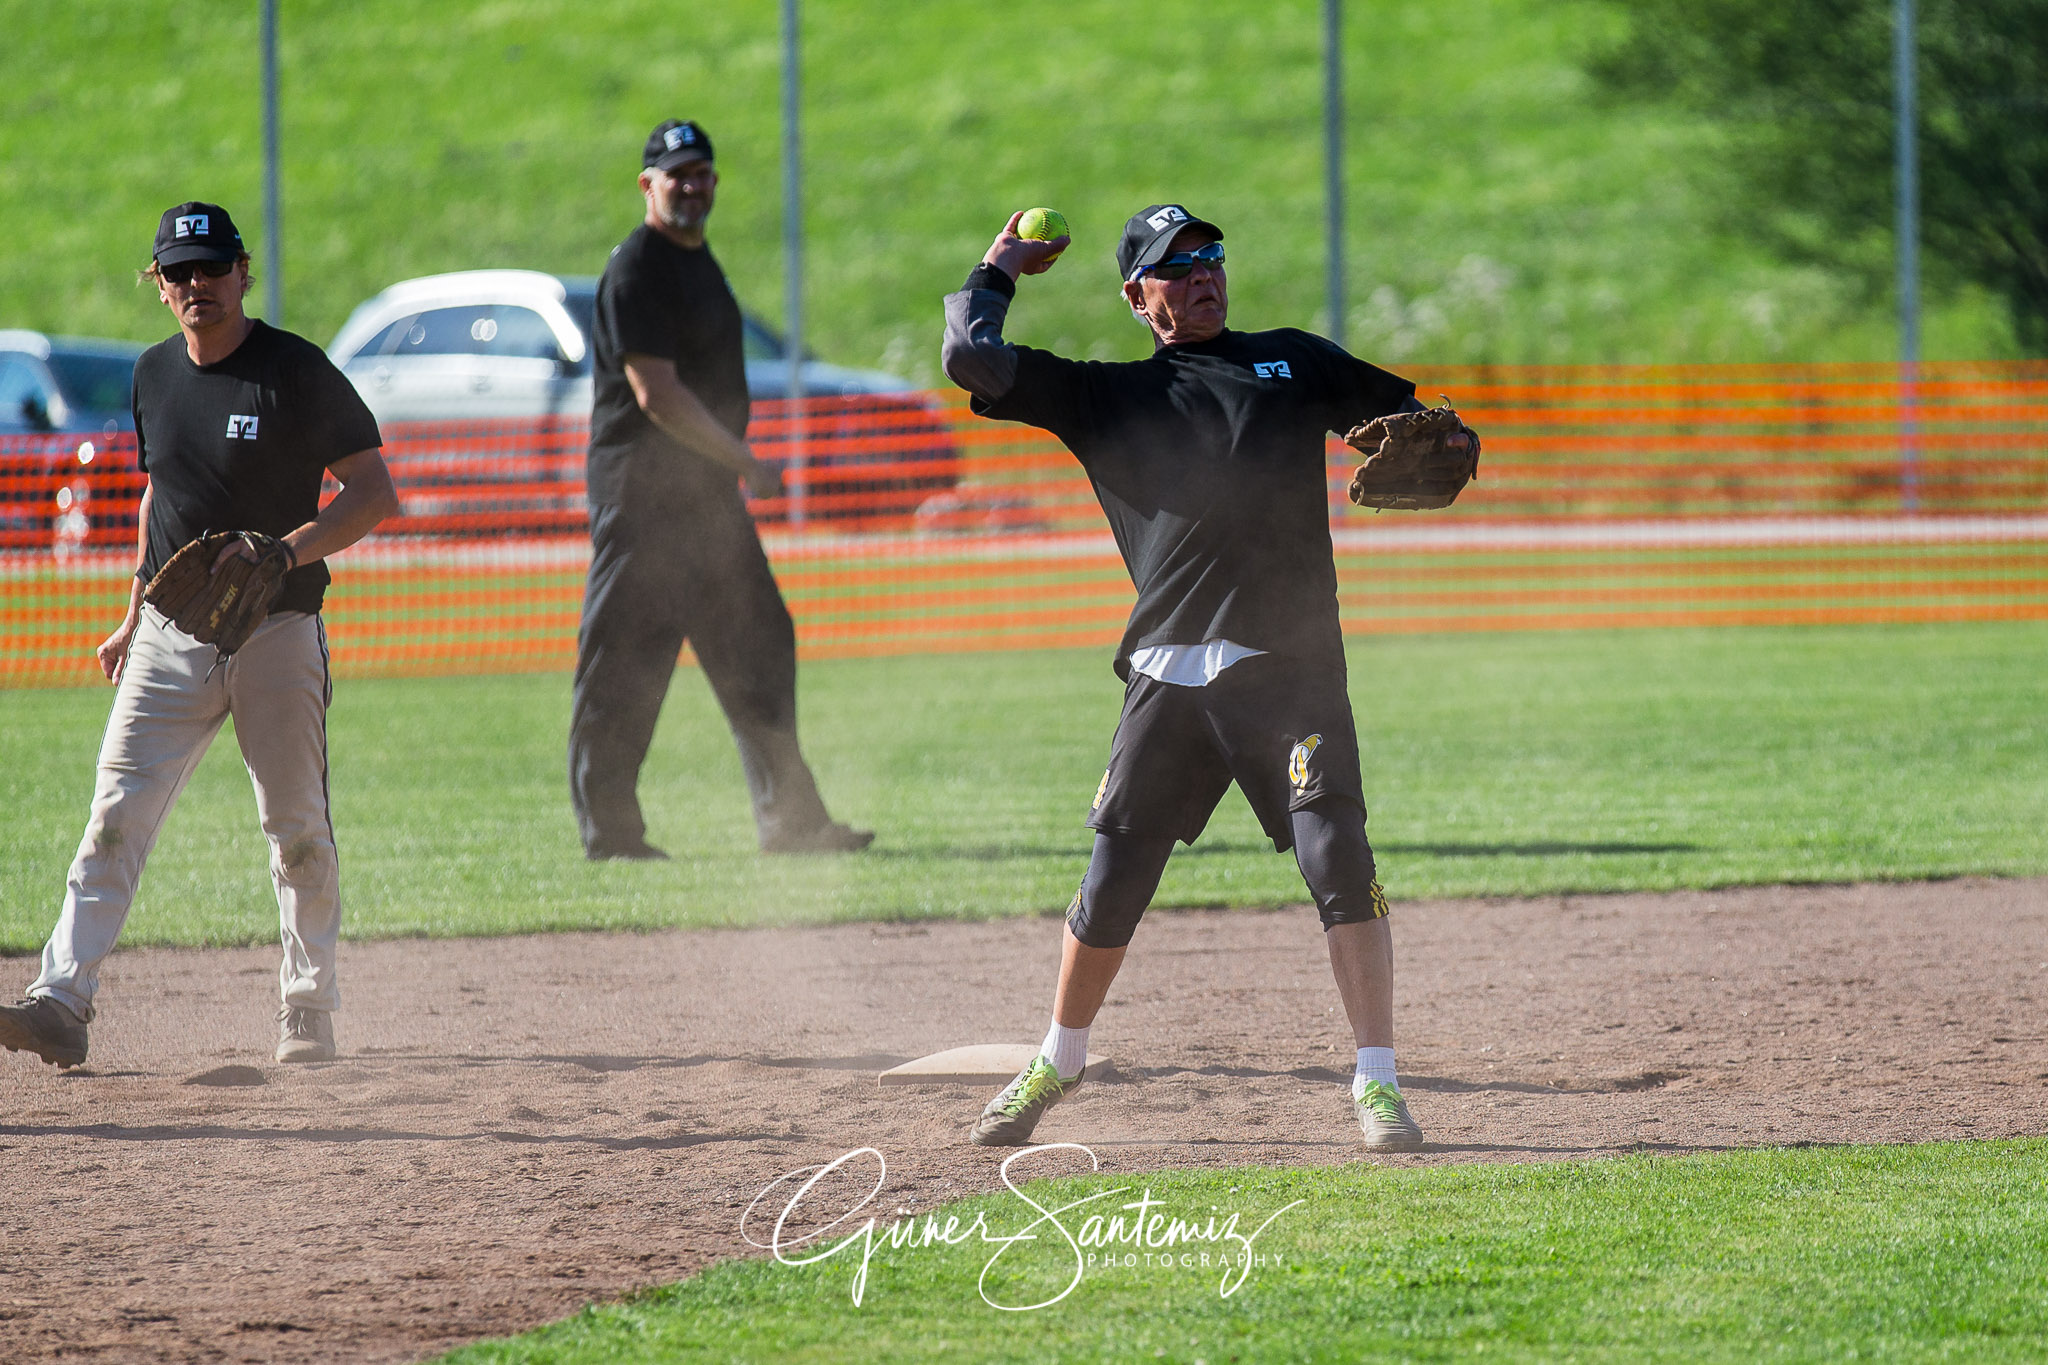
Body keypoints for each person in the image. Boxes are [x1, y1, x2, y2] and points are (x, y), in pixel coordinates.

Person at [943, 204, 1452, 1151]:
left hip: (1291, 668)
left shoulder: (1291, 361)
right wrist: (998, 268)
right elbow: (973, 358)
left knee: (1338, 857)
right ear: (1137, 298)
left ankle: (1377, 1081)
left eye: (1210, 254)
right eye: (1175, 266)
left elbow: (1416, 424)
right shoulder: (1108, 397)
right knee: (1113, 881)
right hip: (1167, 673)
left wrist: (1445, 439)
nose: (1202, 273)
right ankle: (1059, 1057)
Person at [0, 201, 398, 1069]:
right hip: (168, 635)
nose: (196, 284)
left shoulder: (295, 371)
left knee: (295, 827)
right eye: (178, 271)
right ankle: (61, 1000)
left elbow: (375, 493)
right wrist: (131, 613)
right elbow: (160, 496)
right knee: (115, 815)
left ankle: (307, 1006)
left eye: (212, 266)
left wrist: (284, 552)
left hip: (277, 630)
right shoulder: (152, 374)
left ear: (243, 272)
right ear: (158, 284)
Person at [568, 119, 871, 859]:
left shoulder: (697, 262)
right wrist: (747, 461)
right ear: (647, 185)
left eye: (702, 172)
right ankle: (612, 834)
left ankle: (792, 821)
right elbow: (657, 395)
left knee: (760, 644)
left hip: (704, 504)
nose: (693, 186)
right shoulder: (638, 267)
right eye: (678, 175)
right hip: (644, 502)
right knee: (626, 666)